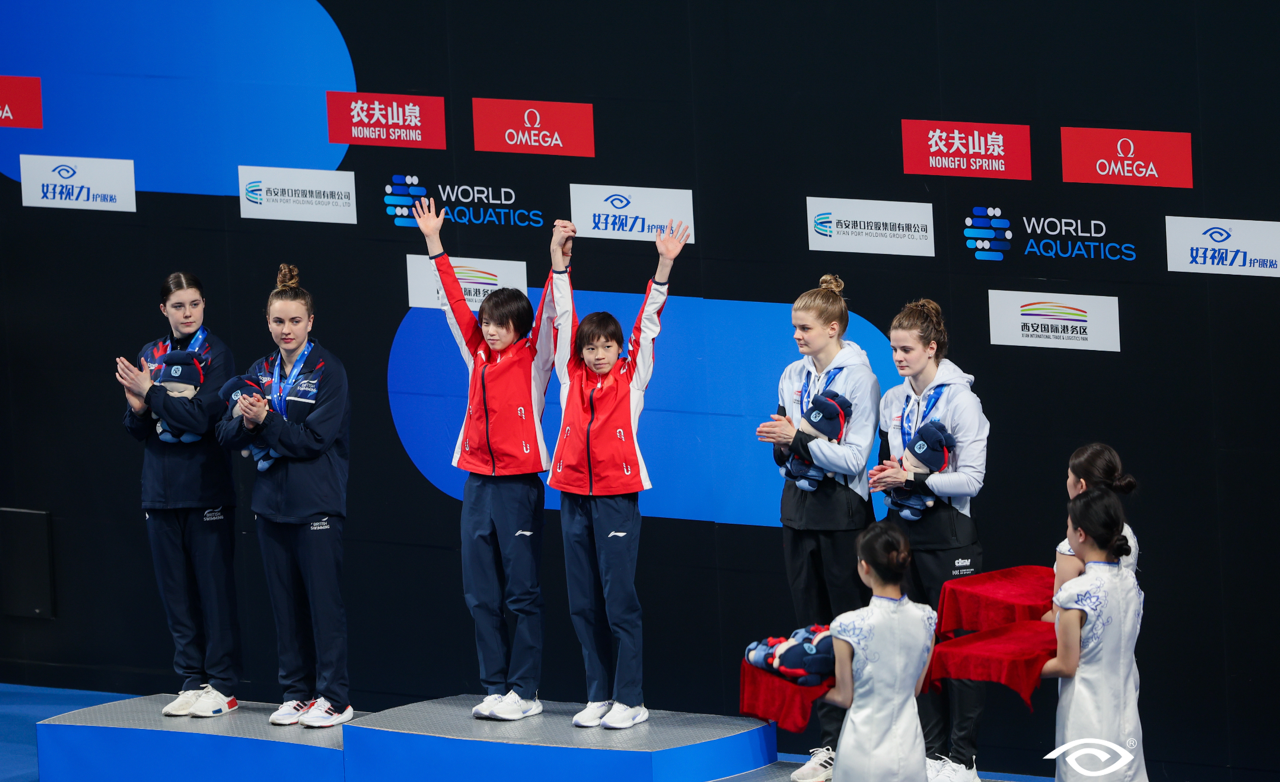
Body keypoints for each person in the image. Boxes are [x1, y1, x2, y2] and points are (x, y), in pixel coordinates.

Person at [412, 197, 558, 721]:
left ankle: (526, 691)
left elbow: (552, 315)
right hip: (476, 483)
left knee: (522, 593)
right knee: (480, 593)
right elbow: (455, 301)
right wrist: (434, 242)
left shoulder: (535, 360)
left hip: (518, 485)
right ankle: (495, 687)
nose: (490, 330)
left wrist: (557, 262)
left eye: (500, 324)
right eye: (487, 323)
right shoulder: (476, 353)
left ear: (518, 327)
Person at [546, 218, 688, 730]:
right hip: (571, 495)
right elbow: (564, 315)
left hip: (617, 496)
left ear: (619, 350)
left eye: (607, 346)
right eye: (591, 347)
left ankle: (631, 699)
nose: (599, 354)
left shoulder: (633, 378)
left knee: (619, 602)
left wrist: (664, 264)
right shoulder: (569, 376)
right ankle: (597, 695)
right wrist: (559, 261)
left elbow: (649, 321)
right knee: (582, 603)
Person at [215, 265, 353, 728]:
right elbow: (225, 434)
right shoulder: (259, 371)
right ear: (268, 322)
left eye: (295, 320)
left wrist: (265, 421)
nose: (286, 329)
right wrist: (247, 421)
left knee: (323, 607)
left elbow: (314, 440)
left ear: (310, 321)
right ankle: (297, 693)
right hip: (270, 506)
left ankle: (334, 698)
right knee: (285, 606)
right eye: (278, 321)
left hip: (316, 505)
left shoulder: (329, 371)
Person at [755, 275, 880, 782]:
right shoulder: (792, 373)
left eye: (804, 328)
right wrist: (782, 444)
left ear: (833, 328)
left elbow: (854, 459)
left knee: (851, 629)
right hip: (797, 510)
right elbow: (784, 442)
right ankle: (828, 746)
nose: (796, 336)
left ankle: (863, 742)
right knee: (813, 633)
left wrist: (798, 437)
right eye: (794, 327)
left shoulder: (860, 379)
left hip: (843, 513)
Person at [869, 299, 989, 782]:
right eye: (894, 349)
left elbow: (972, 480)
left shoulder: (962, 401)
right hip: (903, 534)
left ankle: (964, 759)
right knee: (916, 647)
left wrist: (914, 479)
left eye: (907, 349)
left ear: (932, 348)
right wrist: (888, 477)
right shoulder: (892, 400)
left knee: (958, 648)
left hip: (950, 537)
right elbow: (890, 462)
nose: (898, 358)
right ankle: (934, 753)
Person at [116, 272, 242, 718]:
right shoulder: (149, 355)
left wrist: (150, 394)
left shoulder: (217, 354)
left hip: (206, 490)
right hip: (159, 492)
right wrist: (137, 410)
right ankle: (191, 680)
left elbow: (201, 418)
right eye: (178, 306)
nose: (187, 313)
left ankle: (222, 685)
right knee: (177, 595)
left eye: (194, 304)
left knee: (213, 592)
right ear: (163, 310)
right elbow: (138, 428)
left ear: (204, 305)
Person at [1041, 488, 1147, 782]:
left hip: (1086, 716)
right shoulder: (1130, 584)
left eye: (1068, 527)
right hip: (1125, 709)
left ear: (1081, 534)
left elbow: (1066, 665)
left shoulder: (1075, 594)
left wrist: (1016, 665)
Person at [823, 522, 936, 782]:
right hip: (911, 752)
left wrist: (802, 687)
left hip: (862, 752)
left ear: (864, 566)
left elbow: (844, 697)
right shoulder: (928, 619)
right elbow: (915, 689)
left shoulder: (846, 625)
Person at [1042, 444, 1139, 622]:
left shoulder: (1072, 548)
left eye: (1068, 476)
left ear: (1081, 485)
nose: (1067, 481)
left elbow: (1059, 618)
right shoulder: (1126, 533)